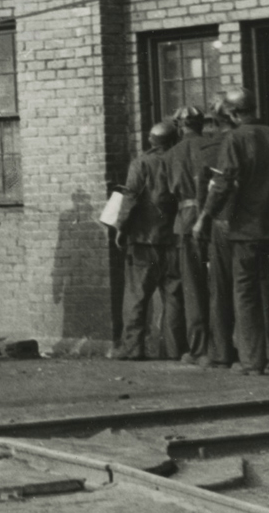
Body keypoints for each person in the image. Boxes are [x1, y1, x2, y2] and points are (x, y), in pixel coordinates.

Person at [196, 89, 269, 376]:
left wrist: (204, 217)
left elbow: (223, 184)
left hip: (246, 229)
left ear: (232, 114)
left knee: (244, 292)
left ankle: (252, 361)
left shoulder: (235, 138)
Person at [112, 121, 180, 360]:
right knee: (173, 296)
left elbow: (130, 197)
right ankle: (173, 349)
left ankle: (132, 348)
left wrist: (121, 227)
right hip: (173, 238)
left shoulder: (141, 163)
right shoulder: (178, 160)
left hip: (143, 239)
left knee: (136, 297)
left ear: (151, 141)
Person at [163, 105, 211, 363]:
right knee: (220, 285)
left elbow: (163, 197)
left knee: (193, 288)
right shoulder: (213, 146)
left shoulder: (171, 154)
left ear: (180, 127)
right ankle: (223, 345)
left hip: (185, 221)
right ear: (201, 124)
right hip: (213, 220)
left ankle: (200, 348)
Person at [200, 94, 240, 369]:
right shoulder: (251, 140)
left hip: (222, 222)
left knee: (221, 289)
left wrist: (203, 218)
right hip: (251, 224)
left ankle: (222, 350)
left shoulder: (210, 148)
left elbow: (207, 189)